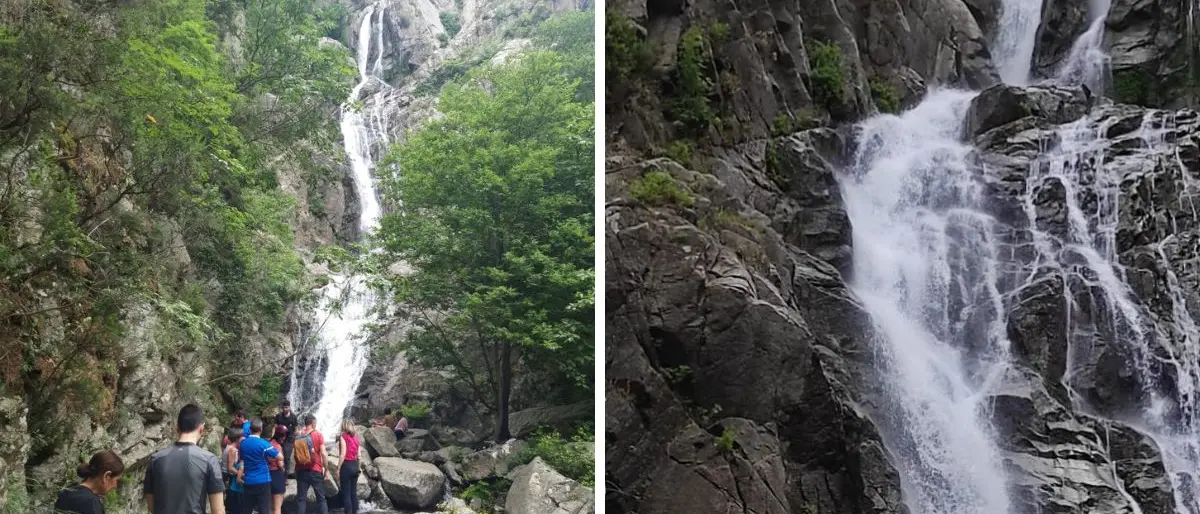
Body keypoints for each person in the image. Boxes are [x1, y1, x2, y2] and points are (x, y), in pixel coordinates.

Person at [143, 403, 225, 514]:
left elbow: (152, 507)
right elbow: (218, 511)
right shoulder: (209, 460)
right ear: (201, 428)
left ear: (177, 427)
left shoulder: (156, 459)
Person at [55, 450, 125, 514]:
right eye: (117, 480)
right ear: (106, 476)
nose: (115, 486)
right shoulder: (91, 504)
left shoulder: (67, 492)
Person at [239, 418, 281, 514]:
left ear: (250, 429)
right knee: (264, 509)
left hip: (248, 481)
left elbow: (242, 459)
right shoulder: (264, 444)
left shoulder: (243, 444)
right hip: (263, 480)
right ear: (261, 429)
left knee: (247, 509)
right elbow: (280, 457)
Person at [294, 414, 328, 514]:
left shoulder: (299, 435)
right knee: (321, 499)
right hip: (315, 469)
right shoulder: (318, 434)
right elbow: (324, 454)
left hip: (301, 470)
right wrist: (326, 470)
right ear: (313, 423)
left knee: (301, 499)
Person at [336, 419, 361, 514]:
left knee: (346, 493)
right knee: (353, 493)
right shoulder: (356, 438)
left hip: (346, 466)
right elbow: (359, 456)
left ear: (344, 426)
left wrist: (338, 468)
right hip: (354, 466)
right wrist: (358, 468)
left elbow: (343, 454)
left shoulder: (343, 437)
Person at [272, 401, 298, 475]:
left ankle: (285, 475)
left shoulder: (293, 417)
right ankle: (279, 472)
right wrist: (272, 437)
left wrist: (295, 438)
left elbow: (296, 429)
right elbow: (274, 427)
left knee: (286, 456)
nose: (285, 409)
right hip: (279, 438)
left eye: (286, 407)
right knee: (278, 455)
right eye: (283, 408)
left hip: (289, 438)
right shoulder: (279, 416)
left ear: (289, 407)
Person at [223, 429, 244, 514]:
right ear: (237, 438)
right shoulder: (233, 450)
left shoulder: (228, 446)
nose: (242, 438)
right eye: (241, 436)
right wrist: (241, 474)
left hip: (226, 475)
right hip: (226, 476)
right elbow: (230, 468)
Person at [267, 425, 287, 514]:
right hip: (277, 476)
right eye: (283, 435)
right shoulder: (278, 446)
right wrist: (283, 468)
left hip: (267, 476)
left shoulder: (268, 443)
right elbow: (280, 464)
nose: (285, 437)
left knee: (270, 507)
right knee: (277, 508)